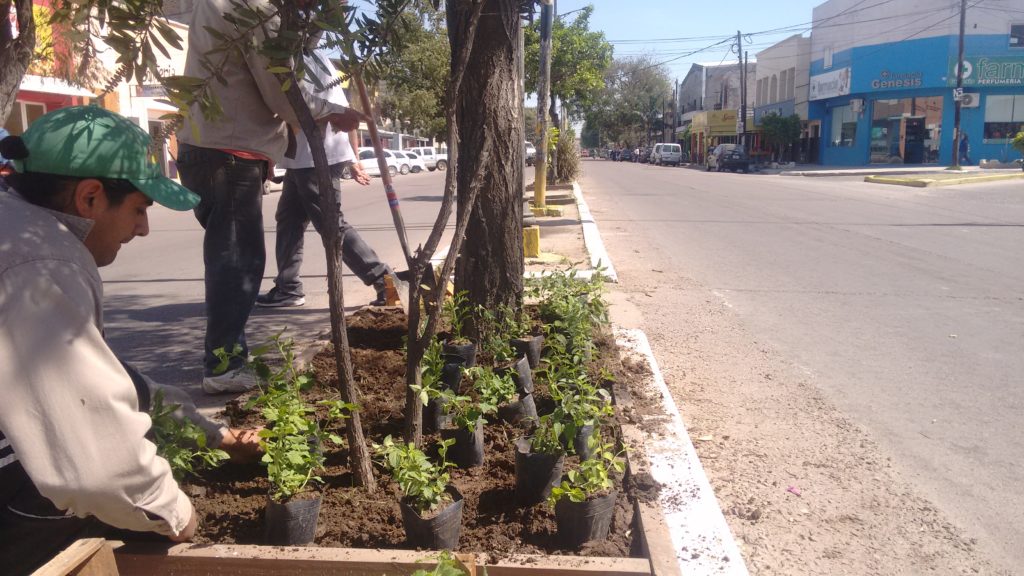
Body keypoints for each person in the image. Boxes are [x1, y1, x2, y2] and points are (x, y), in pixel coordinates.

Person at [0, 106, 260, 574]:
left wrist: (214, 434)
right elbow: (94, 464)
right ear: (90, 196)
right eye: (139, 209)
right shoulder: (42, 262)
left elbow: (102, 377)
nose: (143, 229)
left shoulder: (16, 223)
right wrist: (173, 514)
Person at [176, 0, 374, 394]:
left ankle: (229, 357)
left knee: (233, 257)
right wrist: (334, 112)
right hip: (227, 153)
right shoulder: (253, 8)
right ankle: (224, 366)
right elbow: (281, 92)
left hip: (211, 147)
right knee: (238, 261)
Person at [256, 49, 397, 309]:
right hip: (303, 158)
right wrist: (353, 158)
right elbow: (341, 111)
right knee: (289, 220)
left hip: (315, 156)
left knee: (332, 224)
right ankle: (288, 287)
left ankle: (384, 281)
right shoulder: (310, 55)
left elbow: (298, 109)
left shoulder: (298, 57)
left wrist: (270, 154)